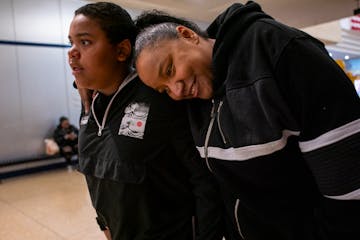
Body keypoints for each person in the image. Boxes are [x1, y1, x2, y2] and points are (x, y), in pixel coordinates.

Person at [134, 2, 360, 240]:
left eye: (170, 70)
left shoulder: (276, 48)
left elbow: (347, 180)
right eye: (164, 90)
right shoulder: (198, 99)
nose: (176, 91)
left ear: (188, 35)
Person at [68, 2, 224, 240]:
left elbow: (205, 180)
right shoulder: (88, 102)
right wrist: (104, 223)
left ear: (121, 51)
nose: (72, 52)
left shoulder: (160, 95)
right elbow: (96, 177)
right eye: (71, 42)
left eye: (85, 42)